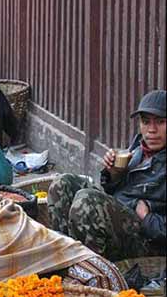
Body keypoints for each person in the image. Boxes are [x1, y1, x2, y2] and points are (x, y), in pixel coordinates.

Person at [48, 89, 166, 262]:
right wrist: (114, 174)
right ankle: (67, 259)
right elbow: (119, 191)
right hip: (122, 218)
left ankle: (96, 272)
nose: (151, 130)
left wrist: (147, 218)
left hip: (147, 242)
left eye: (161, 122)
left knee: (87, 201)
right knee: (62, 183)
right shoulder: (139, 148)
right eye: (145, 122)